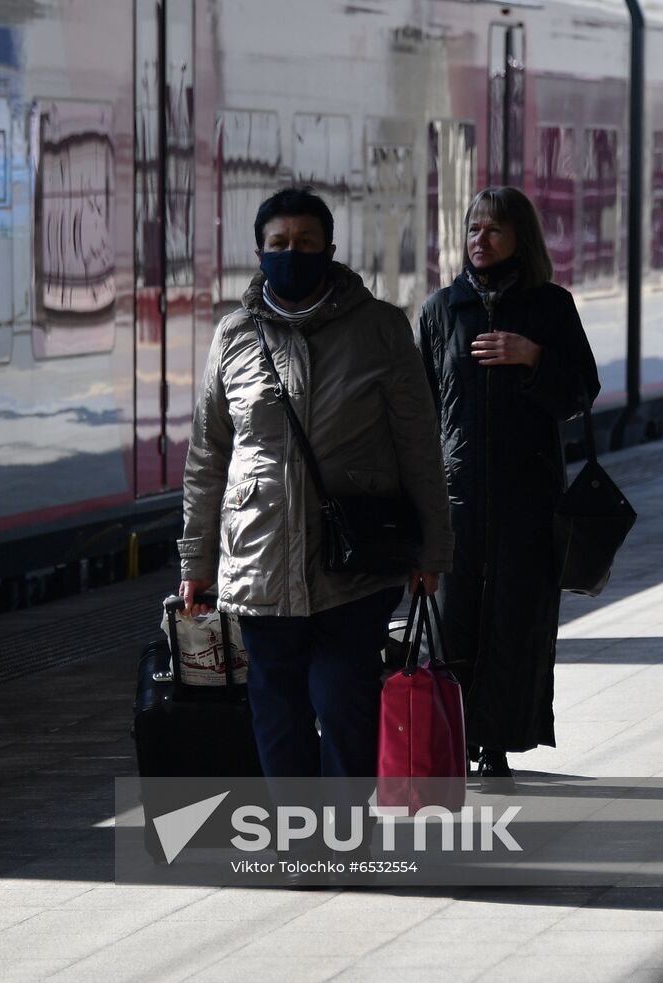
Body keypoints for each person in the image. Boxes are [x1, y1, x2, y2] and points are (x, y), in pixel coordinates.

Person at [177, 187, 454, 809]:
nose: (292, 254)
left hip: (354, 561)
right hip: (260, 560)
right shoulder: (234, 336)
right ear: (259, 251)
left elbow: (418, 447)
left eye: (305, 244)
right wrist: (195, 563)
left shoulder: (380, 328)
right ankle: (300, 837)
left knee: (343, 699)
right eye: (279, 244)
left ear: (330, 250)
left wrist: (433, 549)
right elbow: (206, 458)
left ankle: (344, 834)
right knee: (276, 708)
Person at [416, 186, 600, 791]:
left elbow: (581, 394)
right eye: (473, 228)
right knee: (454, 622)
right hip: (456, 499)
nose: (481, 239)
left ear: (521, 236)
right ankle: (451, 739)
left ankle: (496, 743)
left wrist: (534, 357)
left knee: (518, 622)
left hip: (529, 500)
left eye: (494, 229)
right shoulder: (441, 310)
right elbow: (417, 408)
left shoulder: (551, 307)